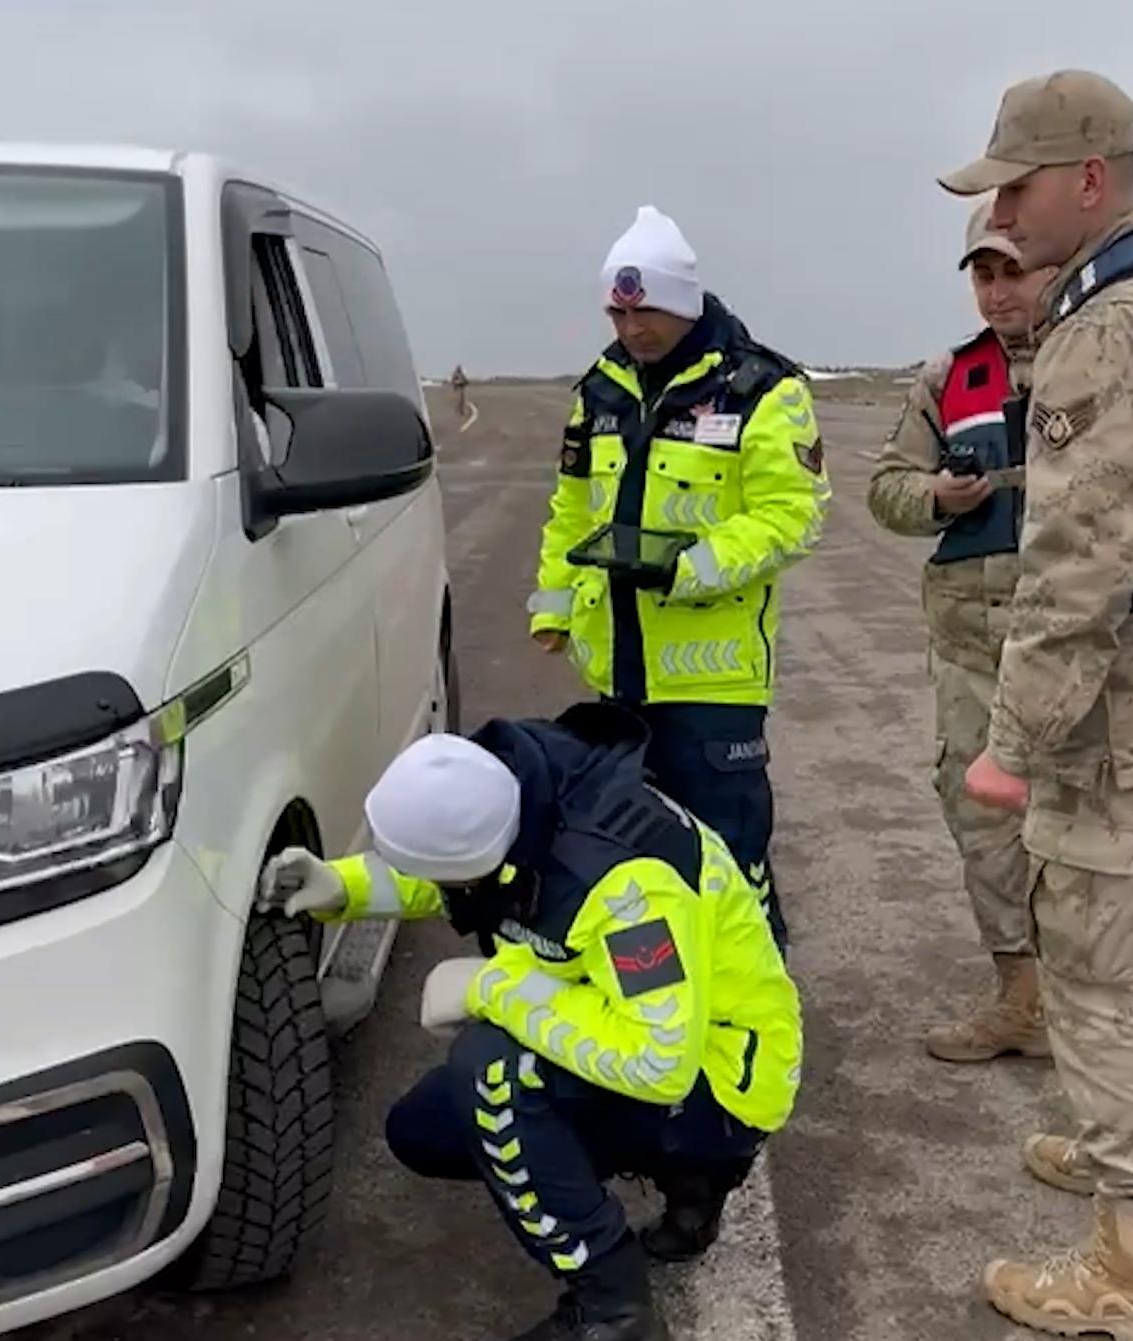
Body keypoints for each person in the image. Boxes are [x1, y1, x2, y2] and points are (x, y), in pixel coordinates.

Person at [259, 702, 801, 1341]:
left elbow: (659, 1061)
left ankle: (613, 1305)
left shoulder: (628, 890)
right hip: (674, 1039)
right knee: (427, 1129)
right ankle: (683, 1179)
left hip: (721, 1078)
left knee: (492, 1073)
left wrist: (492, 987)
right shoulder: (521, 797)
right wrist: (341, 886)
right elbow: (455, 876)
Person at [941, 69, 1133, 1336]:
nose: (1003, 217)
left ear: (1089, 178)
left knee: (1108, 976)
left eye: (1015, 188)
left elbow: (1079, 562)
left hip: (1120, 723)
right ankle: (1130, 1160)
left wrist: (1013, 743)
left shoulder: (1106, 324)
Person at [527, 205, 830, 957]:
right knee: (639, 854)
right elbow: (572, 509)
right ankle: (669, 1013)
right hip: (619, 671)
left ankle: (757, 1014)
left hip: (713, 683)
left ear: (684, 301)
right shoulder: (597, 390)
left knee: (730, 856)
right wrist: (554, 603)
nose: (632, 329)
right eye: (618, 312)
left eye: (647, 312)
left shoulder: (763, 389)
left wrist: (684, 569)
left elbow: (792, 516)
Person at [867, 205, 1056, 1063]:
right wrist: (937, 498)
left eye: (1011, 270)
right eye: (983, 275)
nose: (997, 291)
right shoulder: (948, 377)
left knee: (1101, 816)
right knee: (980, 813)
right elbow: (887, 489)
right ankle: (1021, 996)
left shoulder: (1102, 353)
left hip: (1082, 633)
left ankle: (1107, 1011)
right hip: (972, 643)